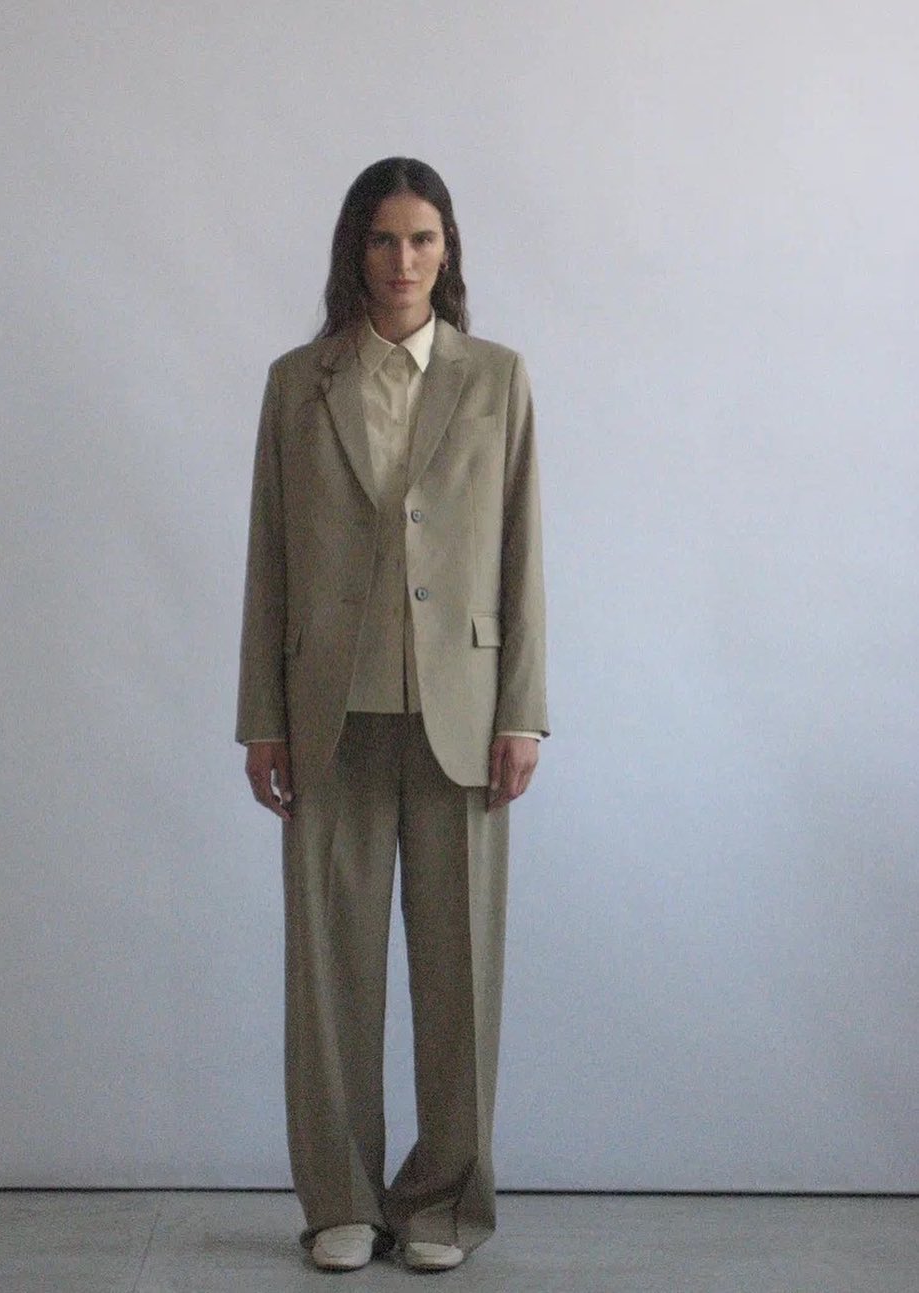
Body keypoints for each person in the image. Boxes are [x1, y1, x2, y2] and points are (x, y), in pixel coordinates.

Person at [236, 157, 548, 1273]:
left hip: (463, 713)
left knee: (458, 976)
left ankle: (443, 1203)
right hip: (329, 710)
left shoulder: (495, 378)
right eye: (382, 239)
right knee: (330, 974)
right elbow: (269, 558)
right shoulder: (297, 383)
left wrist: (523, 712)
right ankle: (339, 1201)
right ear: (354, 252)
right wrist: (260, 717)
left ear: (447, 249)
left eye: (422, 238)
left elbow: (521, 553)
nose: (403, 259)